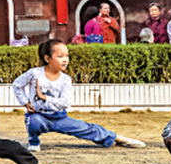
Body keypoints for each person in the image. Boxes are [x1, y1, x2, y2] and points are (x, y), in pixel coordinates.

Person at [13, 40, 146, 151]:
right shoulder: (35, 74)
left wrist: (45, 98)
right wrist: (25, 102)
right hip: (39, 115)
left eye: (67, 56)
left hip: (60, 117)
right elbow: (17, 85)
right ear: (47, 58)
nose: (65, 60)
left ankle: (118, 138)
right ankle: (34, 142)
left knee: (88, 129)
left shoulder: (65, 79)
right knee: (34, 122)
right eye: (60, 56)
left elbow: (65, 103)